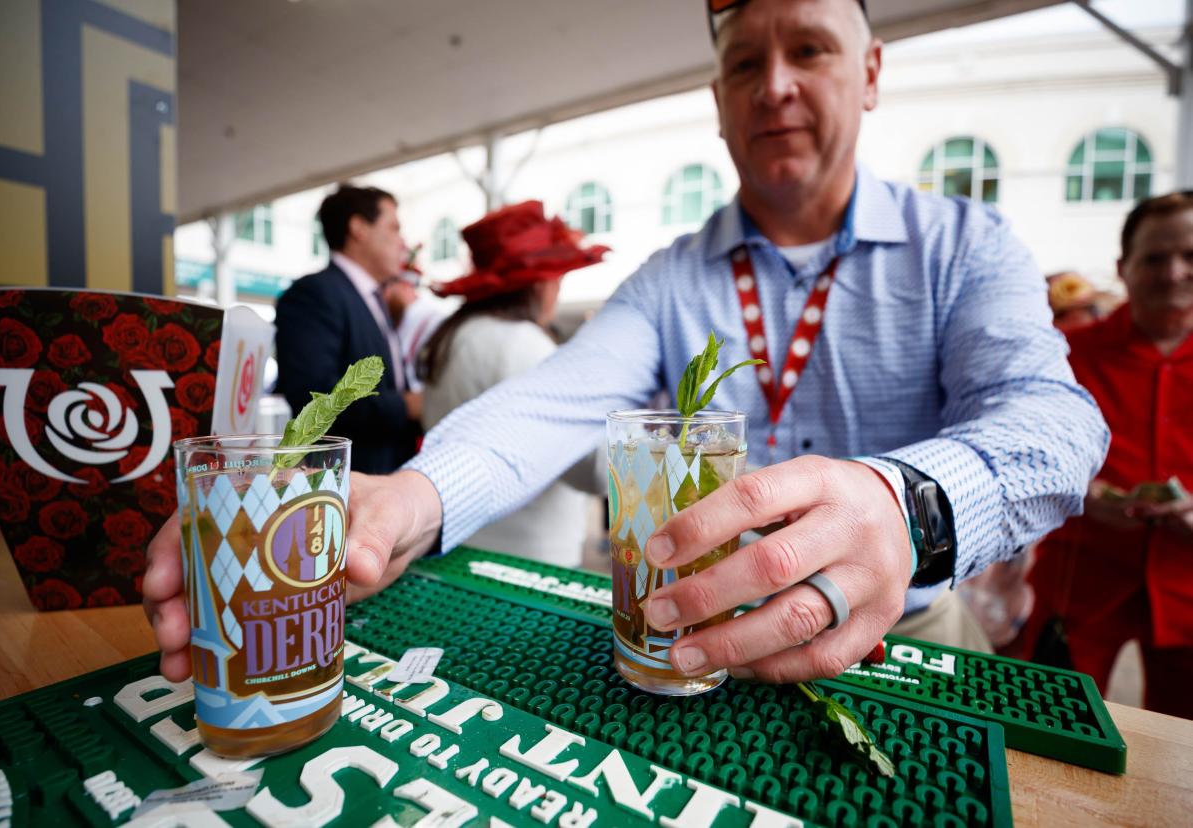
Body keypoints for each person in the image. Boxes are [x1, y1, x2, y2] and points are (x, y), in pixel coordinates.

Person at [145, 0, 1108, 686]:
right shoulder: (669, 279)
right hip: (679, 639)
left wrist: (908, 508)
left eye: (810, 47)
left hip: (904, 638)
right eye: (743, 63)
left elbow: (1056, 424)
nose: (774, 85)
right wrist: (407, 500)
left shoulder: (964, 248)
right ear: (719, 98)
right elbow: (555, 399)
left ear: (870, 72)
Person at [1020, 191, 1193, 717]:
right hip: (1081, 576)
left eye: (1189, 257)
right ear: (1124, 268)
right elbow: (1024, 451)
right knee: (1049, 719)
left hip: (1187, 584)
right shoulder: (1067, 353)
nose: (1173, 273)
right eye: (1155, 258)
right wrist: (1083, 494)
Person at [420, 201, 608, 567]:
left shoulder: (452, 337)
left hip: (458, 540)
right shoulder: (526, 345)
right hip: (530, 555)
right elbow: (594, 470)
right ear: (538, 283)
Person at [274, 185, 423, 475]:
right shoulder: (314, 294)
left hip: (386, 477)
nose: (402, 242)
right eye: (393, 228)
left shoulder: (373, 299)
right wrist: (407, 406)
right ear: (358, 229)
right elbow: (314, 397)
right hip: (344, 483)